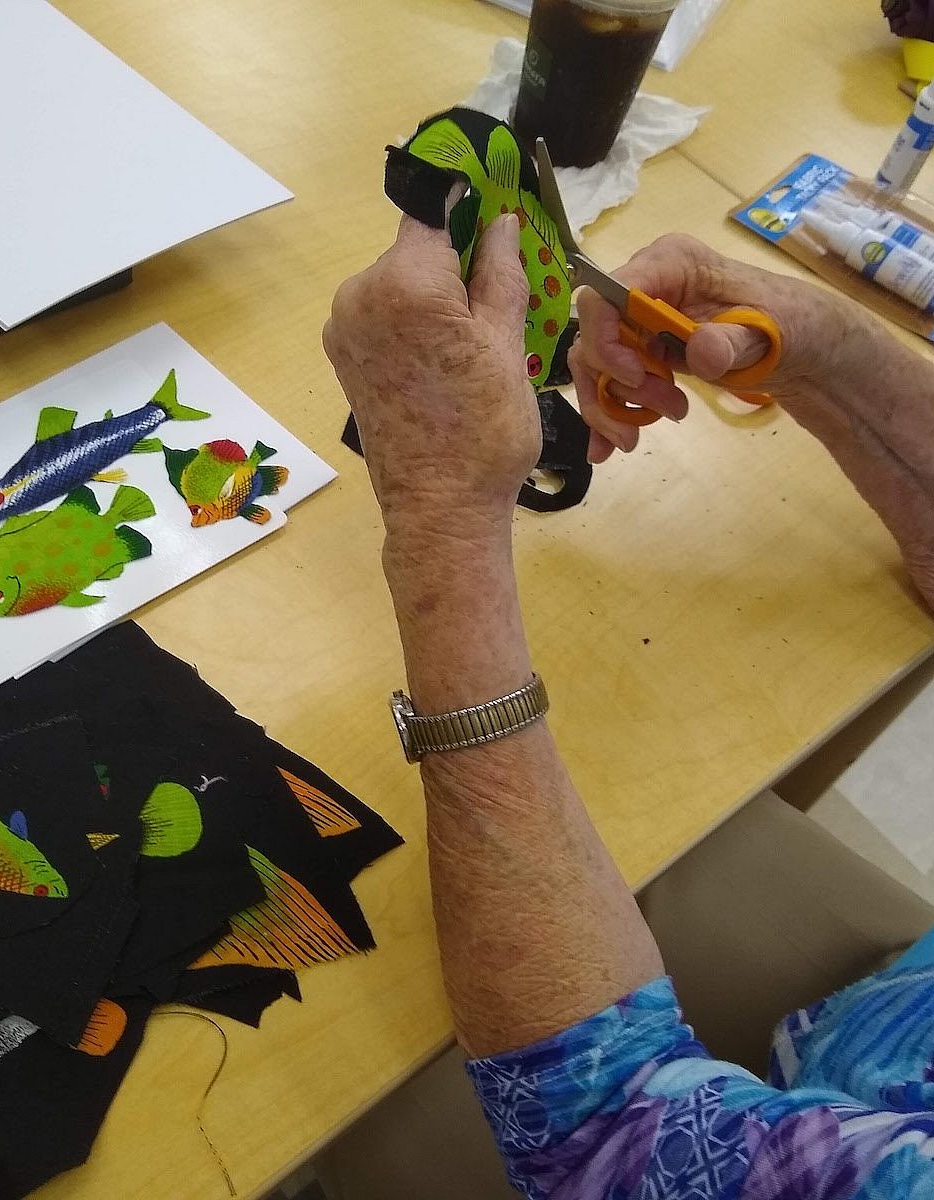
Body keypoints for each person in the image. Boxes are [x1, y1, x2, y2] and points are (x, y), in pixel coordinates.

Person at [322, 216, 934, 1199]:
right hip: (881, 1046)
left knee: (323, 1080)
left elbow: (604, 1134)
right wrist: (821, 352)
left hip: (668, 1132)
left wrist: (441, 527)